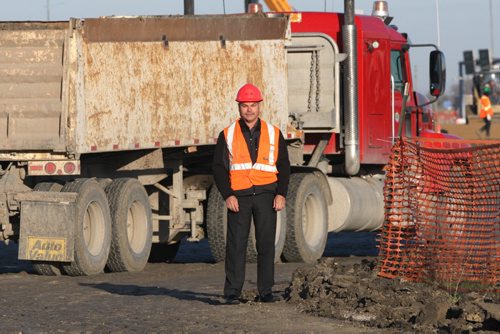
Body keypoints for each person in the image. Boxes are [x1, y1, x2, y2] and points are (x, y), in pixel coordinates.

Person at [212, 83, 290, 305]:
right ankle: (232, 293)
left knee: (266, 245)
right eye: (245, 105)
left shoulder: (274, 133)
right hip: (239, 198)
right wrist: (228, 195)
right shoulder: (227, 134)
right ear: (239, 107)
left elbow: (284, 166)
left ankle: (266, 292)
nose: (249, 110)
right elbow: (218, 168)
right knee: (236, 245)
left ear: (260, 106)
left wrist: (281, 194)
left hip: (267, 196)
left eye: (253, 105)